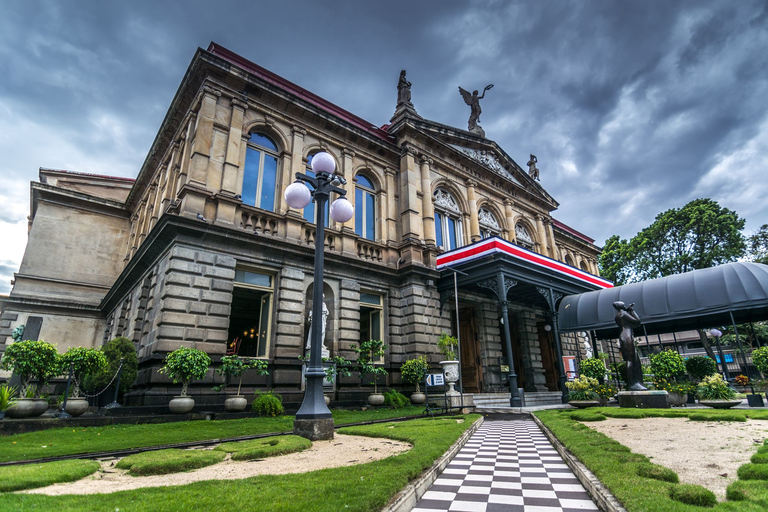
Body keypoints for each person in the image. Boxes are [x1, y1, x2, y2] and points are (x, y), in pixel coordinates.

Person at [613, 301, 646, 391]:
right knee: (630, 360)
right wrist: (632, 310)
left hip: (625, 336)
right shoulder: (623, 314)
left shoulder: (618, 315)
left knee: (633, 359)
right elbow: (637, 321)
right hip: (627, 337)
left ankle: (636, 382)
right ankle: (633, 383)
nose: (624, 305)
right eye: (623, 304)